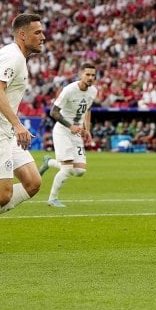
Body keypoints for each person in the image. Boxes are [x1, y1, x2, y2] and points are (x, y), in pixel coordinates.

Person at [0, 13, 44, 217]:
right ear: (22, 35)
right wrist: (18, 125)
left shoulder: (17, 57)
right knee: (3, 195)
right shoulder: (13, 56)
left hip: (6, 130)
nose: (43, 37)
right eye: (37, 32)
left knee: (32, 182)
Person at [40, 63, 98, 207]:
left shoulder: (93, 91)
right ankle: (52, 199)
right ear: (80, 75)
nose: (90, 78)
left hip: (76, 132)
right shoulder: (69, 90)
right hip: (62, 131)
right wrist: (70, 126)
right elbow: (53, 112)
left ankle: (49, 163)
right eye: (87, 74)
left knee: (79, 171)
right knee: (67, 168)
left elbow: (88, 109)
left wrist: (87, 128)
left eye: (93, 75)